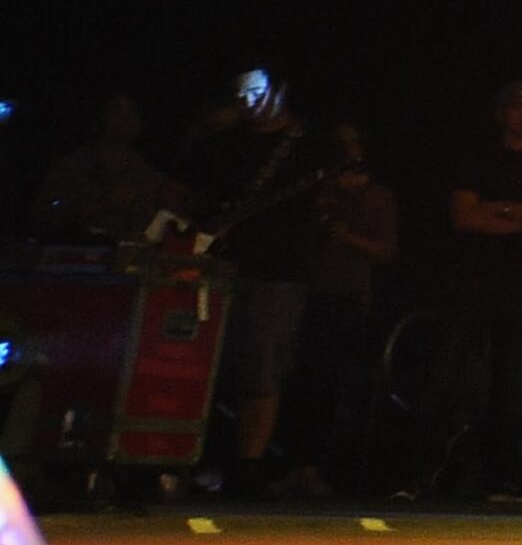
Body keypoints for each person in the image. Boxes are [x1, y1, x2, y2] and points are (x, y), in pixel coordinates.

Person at [187, 69, 324, 486]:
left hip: (277, 272)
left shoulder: (312, 147)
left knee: (261, 369)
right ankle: (190, 459)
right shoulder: (222, 144)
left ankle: (248, 466)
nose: (246, 100)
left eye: (256, 92)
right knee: (198, 365)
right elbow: (186, 194)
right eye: (239, 92)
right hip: (213, 270)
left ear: (281, 90)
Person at [445, 79, 522, 501]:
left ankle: (501, 477)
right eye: (516, 107)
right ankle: (439, 471)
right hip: (470, 279)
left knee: (512, 384)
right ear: (501, 113)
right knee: (455, 375)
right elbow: (463, 217)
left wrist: (497, 208)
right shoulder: (477, 157)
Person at [292, 119, 398, 496]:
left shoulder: (377, 195)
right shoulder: (313, 188)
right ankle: (289, 465)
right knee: (295, 380)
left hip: (346, 297)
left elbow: (385, 251)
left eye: (354, 143)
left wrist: (345, 231)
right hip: (302, 290)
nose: (348, 152)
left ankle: (323, 468)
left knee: (333, 384)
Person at [30, 94, 181, 244]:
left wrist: (176, 211)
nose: (125, 118)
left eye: (132, 111)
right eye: (116, 110)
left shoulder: (150, 177)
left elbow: (162, 230)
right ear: (99, 118)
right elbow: (44, 218)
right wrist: (103, 202)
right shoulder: (69, 169)